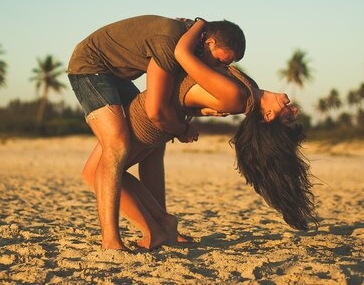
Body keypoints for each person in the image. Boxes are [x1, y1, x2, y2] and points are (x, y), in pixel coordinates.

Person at [80, 19, 317, 249]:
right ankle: (162, 222)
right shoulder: (249, 89)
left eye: (287, 116)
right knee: (107, 171)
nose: (293, 108)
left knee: (96, 174)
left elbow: (182, 55)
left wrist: (199, 24)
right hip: (160, 118)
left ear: (267, 117)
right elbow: (197, 90)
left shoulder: (238, 96)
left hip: (148, 120)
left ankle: (157, 227)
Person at [67, 15, 246, 251]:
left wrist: (203, 111)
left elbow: (173, 100)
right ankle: (112, 240)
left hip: (115, 76)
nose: (219, 68)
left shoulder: (191, 44)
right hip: (90, 68)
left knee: (155, 143)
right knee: (117, 146)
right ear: (210, 43)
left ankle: (163, 225)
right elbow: (155, 111)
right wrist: (182, 129)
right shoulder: (170, 43)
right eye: (220, 61)